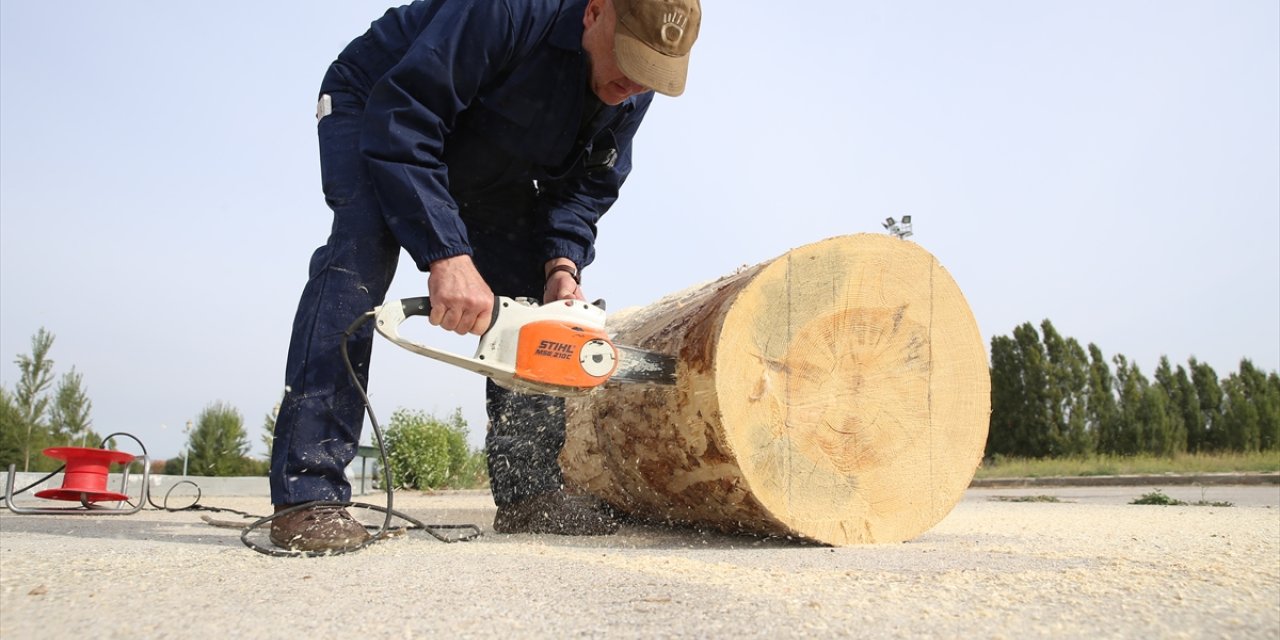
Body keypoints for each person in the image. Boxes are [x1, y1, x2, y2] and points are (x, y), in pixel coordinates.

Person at [267, 0, 702, 551]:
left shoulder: (632, 84)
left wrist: (560, 267)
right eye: (628, 63)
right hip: (383, 103)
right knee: (361, 254)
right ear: (595, 12)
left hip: (488, 151)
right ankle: (308, 495)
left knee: (527, 295)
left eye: (651, 78)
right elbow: (406, 117)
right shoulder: (506, 11)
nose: (633, 87)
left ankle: (529, 494)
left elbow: (587, 187)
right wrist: (446, 254)